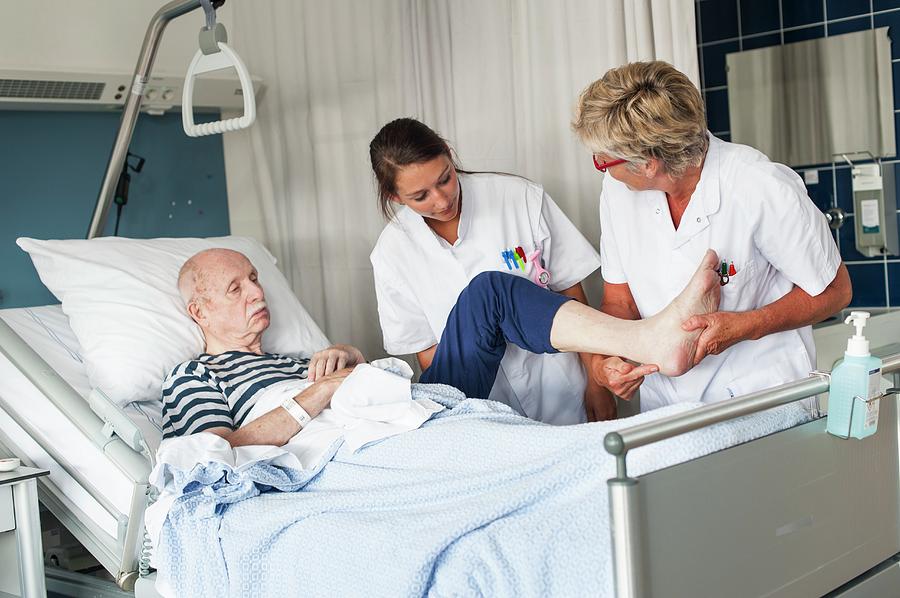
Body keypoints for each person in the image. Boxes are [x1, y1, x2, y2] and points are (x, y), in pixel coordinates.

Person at [160, 247, 721, 444]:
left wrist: (349, 360)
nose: (258, 292)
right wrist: (319, 395)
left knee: (489, 292)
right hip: (360, 436)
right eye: (236, 288)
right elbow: (218, 453)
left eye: (256, 278)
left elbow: (362, 382)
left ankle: (648, 339)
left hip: (408, 401)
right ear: (199, 311)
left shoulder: (298, 355)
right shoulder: (194, 377)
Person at [570, 61, 853, 412]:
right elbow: (620, 302)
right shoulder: (617, 193)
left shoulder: (758, 184)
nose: (600, 165)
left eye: (603, 160)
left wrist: (743, 326)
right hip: (667, 409)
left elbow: (835, 290)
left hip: (762, 399)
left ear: (648, 163)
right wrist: (609, 361)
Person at [368, 118, 612, 425]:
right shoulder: (392, 253)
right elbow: (430, 354)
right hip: (485, 411)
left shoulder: (518, 197)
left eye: (445, 179)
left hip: (562, 388)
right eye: (421, 196)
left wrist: (596, 381)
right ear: (395, 196)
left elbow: (571, 294)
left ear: (448, 153)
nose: (442, 200)